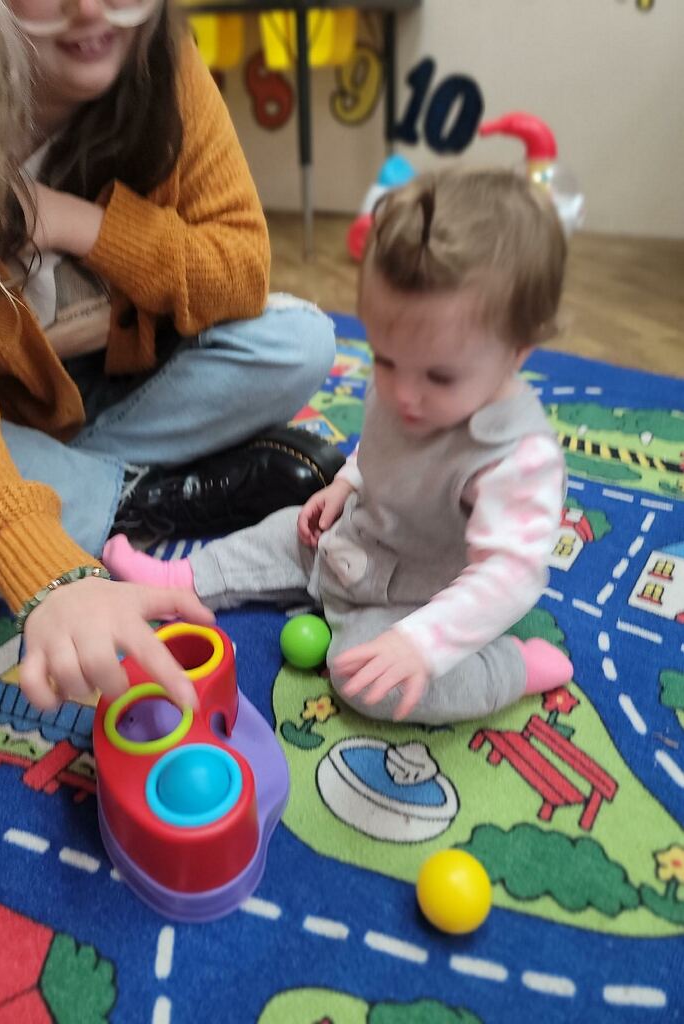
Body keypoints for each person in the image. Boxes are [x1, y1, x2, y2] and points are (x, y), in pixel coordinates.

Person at [0, 0, 342, 713]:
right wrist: (49, 574)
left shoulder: (161, 65)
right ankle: (154, 496)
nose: (91, 9)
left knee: (301, 339)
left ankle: (91, 492)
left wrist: (79, 223)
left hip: (119, 383)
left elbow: (239, 268)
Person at [104, 167, 575, 724]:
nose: (403, 393)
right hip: (355, 535)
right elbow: (381, 445)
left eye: (439, 378)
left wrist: (422, 642)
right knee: (280, 532)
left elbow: (511, 571)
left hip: (417, 602)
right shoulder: (413, 373)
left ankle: (511, 669)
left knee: (367, 679)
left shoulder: (515, 458)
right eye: (385, 359)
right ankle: (185, 580)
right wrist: (349, 481)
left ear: (518, 353)